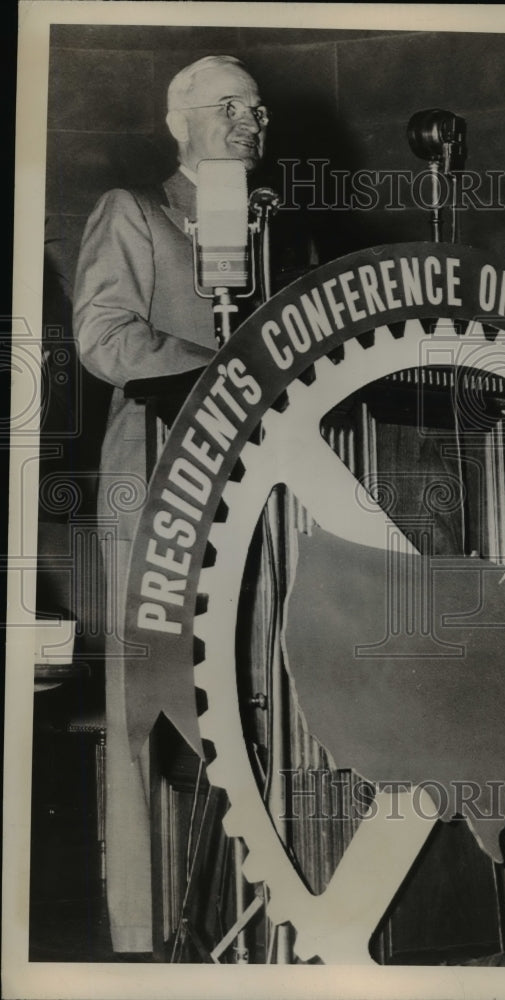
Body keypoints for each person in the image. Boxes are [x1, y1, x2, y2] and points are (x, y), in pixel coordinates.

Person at [74, 54, 268, 953]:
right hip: (155, 470)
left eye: (257, 112)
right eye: (227, 108)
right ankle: (145, 930)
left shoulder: (274, 231)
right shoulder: (135, 214)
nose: (247, 123)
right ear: (175, 121)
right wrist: (226, 373)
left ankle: (255, 903)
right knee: (151, 691)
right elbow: (104, 339)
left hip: (262, 483)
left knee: (257, 675)